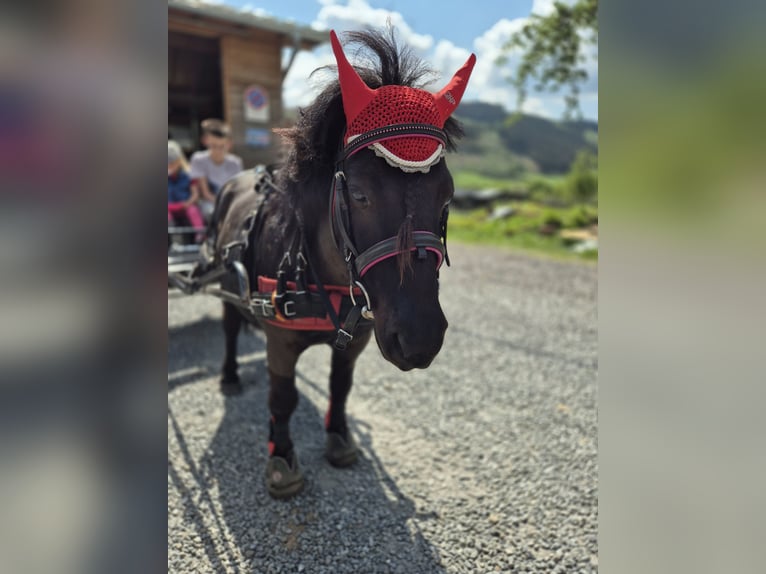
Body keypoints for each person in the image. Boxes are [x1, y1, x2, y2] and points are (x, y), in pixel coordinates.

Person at [189, 119, 243, 220]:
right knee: (212, 213)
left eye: (222, 146)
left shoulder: (235, 162)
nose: (218, 150)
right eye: (213, 146)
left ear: (229, 144)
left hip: (229, 200)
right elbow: (206, 193)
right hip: (209, 202)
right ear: (206, 141)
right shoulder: (198, 159)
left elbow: (236, 189)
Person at [168, 140, 205, 242]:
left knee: (193, 210)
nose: (169, 167)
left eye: (172, 163)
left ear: (179, 161)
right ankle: (173, 239)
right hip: (170, 207)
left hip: (186, 205)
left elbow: (195, 194)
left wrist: (188, 203)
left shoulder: (189, 175)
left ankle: (200, 235)